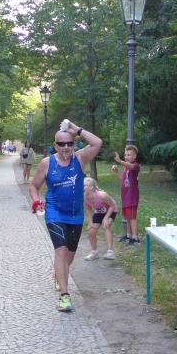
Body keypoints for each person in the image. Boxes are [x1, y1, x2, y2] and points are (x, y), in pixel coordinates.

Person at [29, 120, 102, 312]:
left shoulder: (80, 158)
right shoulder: (47, 163)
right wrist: (36, 200)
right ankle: (64, 296)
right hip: (55, 212)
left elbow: (97, 143)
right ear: (55, 145)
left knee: (69, 255)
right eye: (61, 144)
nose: (66, 147)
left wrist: (76, 129)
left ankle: (58, 272)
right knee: (61, 250)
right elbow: (34, 186)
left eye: (70, 143)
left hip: (75, 215)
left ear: (74, 144)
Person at [83, 177, 118, 260]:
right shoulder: (84, 197)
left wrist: (106, 218)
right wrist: (90, 221)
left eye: (84, 185)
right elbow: (88, 209)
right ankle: (94, 253)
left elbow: (112, 206)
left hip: (111, 210)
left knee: (106, 225)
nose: (81, 187)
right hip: (99, 211)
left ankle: (110, 252)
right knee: (91, 231)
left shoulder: (102, 195)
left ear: (91, 187)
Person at [112, 145, 141, 244]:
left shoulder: (135, 165)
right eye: (125, 155)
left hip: (132, 197)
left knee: (132, 218)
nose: (126, 156)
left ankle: (135, 238)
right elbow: (123, 179)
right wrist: (116, 172)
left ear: (134, 156)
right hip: (125, 197)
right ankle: (129, 236)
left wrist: (120, 161)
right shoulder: (126, 168)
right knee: (127, 217)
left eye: (129, 155)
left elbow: (131, 166)